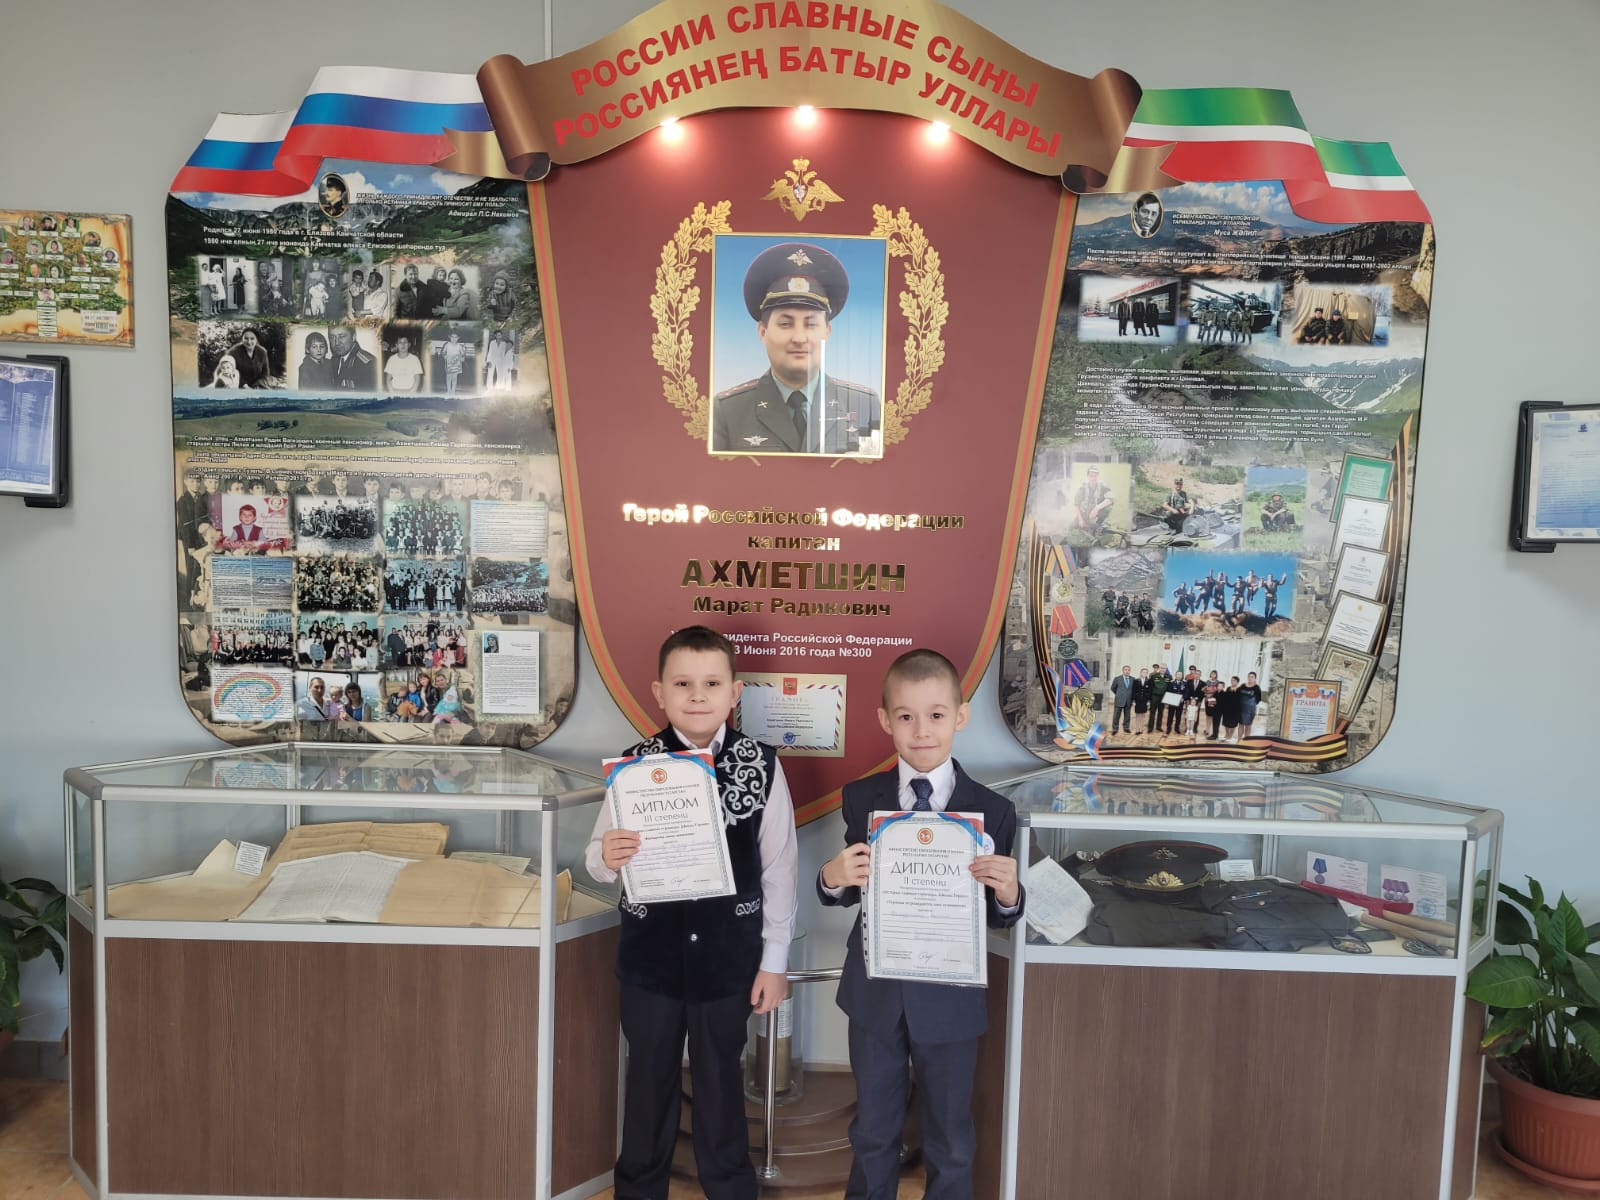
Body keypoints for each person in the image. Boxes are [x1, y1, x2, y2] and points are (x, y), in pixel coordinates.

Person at [585, 626, 798, 1200]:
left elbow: (779, 867)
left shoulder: (762, 765)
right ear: (660, 692)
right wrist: (606, 856)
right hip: (651, 962)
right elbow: (598, 857)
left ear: (735, 693)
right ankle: (639, 1189)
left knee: (720, 1081)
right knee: (648, 1081)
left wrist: (774, 961)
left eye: (711, 683)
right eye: (682, 684)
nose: (697, 696)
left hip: (728, 962)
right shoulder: (634, 766)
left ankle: (730, 1188)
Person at [818, 648, 1021, 1200]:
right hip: (876, 994)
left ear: (960, 716)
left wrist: (1008, 893)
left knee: (950, 1137)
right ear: (885, 720)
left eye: (936, 715)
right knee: (873, 1132)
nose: (922, 730)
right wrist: (832, 877)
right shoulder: (861, 798)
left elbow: (999, 912)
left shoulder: (994, 811)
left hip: (951, 996)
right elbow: (848, 890)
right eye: (906, 716)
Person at [712, 241, 880, 455]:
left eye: (811, 324)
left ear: (827, 332)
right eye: (785, 324)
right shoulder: (729, 411)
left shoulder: (864, 406)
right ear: (762, 331)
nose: (800, 338)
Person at [330, 326, 376, 392]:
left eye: (342, 336)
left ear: (353, 337)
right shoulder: (333, 360)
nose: (336, 343)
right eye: (332, 337)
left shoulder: (369, 365)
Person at [1073, 465, 1114, 535]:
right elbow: (1076, 505)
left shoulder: (1103, 485)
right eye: (1091, 476)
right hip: (1085, 512)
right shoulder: (1082, 487)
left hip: (1096, 513)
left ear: (1098, 476)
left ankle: (1098, 523)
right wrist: (1080, 519)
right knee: (1074, 526)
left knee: (1108, 507)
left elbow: (1111, 499)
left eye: (1095, 476)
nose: (1093, 478)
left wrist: (1096, 508)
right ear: (1087, 476)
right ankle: (1089, 524)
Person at [1108, 664, 1135, 733]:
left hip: (1128, 701)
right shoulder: (1117, 678)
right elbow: (1113, 688)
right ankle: (1115, 729)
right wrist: (1118, 694)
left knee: (1127, 716)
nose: (1127, 671)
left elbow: (1134, 690)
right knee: (1116, 716)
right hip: (1119, 700)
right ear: (1123, 670)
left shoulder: (1133, 679)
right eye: (1126, 670)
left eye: (1128, 670)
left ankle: (1126, 728)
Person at [1238, 671, 1263, 736]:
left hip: (1250, 710)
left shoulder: (1256, 687)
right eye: (1249, 677)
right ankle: (1239, 740)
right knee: (1240, 725)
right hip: (1241, 709)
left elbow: (1258, 699)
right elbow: (1238, 695)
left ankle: (1246, 740)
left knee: (1248, 726)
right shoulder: (1243, 685)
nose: (1250, 678)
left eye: (1252, 677)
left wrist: (1250, 704)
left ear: (1255, 678)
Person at [1219, 677, 1243, 743]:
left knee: (1233, 723)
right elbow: (1225, 697)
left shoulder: (1240, 689)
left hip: (1235, 709)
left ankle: (1230, 736)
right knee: (1226, 722)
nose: (1232, 681)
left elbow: (1239, 699)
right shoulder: (1228, 688)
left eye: (1234, 680)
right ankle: (1226, 735)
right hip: (1227, 708)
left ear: (1237, 682)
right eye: (1231, 680)